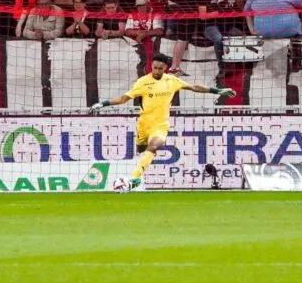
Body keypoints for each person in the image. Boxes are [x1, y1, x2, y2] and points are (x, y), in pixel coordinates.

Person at [93, 51, 231, 191]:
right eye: (155, 68)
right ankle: (136, 172)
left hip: (160, 125)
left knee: (152, 147)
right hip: (143, 125)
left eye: (160, 68)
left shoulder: (171, 81)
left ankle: (133, 179)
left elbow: (193, 87)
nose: (157, 71)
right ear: (151, 66)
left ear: (165, 68)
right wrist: (103, 104)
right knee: (141, 150)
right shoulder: (143, 82)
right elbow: (123, 99)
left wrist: (217, 91)